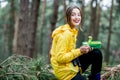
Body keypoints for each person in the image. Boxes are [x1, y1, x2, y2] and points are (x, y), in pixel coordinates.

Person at [50, 6, 102, 80]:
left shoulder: (72, 30)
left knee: (96, 53)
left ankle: (96, 78)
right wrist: (80, 51)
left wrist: (82, 50)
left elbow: (69, 52)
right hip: (65, 73)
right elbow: (60, 58)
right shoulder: (66, 34)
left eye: (78, 15)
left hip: (71, 65)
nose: (77, 17)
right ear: (68, 17)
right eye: (73, 15)